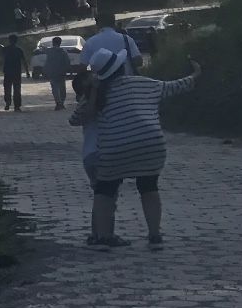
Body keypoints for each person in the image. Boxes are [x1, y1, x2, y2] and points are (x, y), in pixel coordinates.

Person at [70, 45, 201, 248]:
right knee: (149, 187)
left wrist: (93, 90)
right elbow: (175, 86)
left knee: (104, 190)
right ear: (122, 67)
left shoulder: (97, 94)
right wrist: (195, 73)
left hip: (115, 149)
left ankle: (104, 237)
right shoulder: (145, 83)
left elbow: (76, 119)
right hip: (151, 144)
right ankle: (154, 235)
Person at [42, 36, 73, 110]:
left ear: (53, 43)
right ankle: (61, 102)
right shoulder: (63, 52)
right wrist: (69, 70)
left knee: (55, 88)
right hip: (61, 72)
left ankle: (58, 103)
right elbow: (67, 62)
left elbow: (44, 50)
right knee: (62, 88)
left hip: (52, 72)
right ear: (60, 43)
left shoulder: (49, 51)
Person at [0, 34, 26, 111]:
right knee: (17, 89)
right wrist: (27, 71)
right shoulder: (19, 50)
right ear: (16, 41)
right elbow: (24, 61)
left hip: (7, 71)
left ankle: (8, 102)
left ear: (9, 40)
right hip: (17, 72)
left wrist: (1, 47)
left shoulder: (6, 49)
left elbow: (2, 53)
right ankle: (17, 106)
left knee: (7, 88)